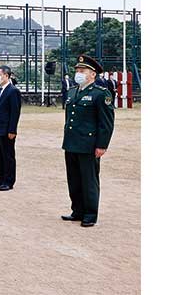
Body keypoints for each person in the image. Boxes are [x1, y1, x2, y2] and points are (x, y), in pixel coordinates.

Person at [61, 54, 115, 228]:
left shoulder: (100, 94)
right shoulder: (72, 92)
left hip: (88, 145)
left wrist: (102, 145)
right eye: (77, 70)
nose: (78, 73)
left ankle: (90, 214)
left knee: (89, 180)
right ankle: (77, 210)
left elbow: (106, 123)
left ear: (93, 74)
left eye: (82, 70)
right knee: (74, 180)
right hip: (71, 143)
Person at [0, 65, 22, 191]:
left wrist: (12, 130)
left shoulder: (13, 91)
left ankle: (9, 181)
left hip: (6, 130)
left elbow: (15, 112)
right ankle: (0, 178)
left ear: (6, 75)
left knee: (8, 156)